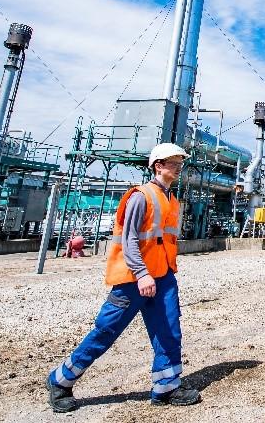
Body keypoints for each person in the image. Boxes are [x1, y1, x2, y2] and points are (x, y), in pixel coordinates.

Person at [46, 143, 201, 412]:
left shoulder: (172, 200)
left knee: (169, 331)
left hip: (163, 277)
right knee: (107, 330)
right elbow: (129, 239)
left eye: (180, 163)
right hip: (133, 280)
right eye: (173, 163)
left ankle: (167, 387)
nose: (178, 168)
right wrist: (142, 275)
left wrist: (158, 275)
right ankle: (61, 381)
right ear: (158, 165)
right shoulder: (141, 196)